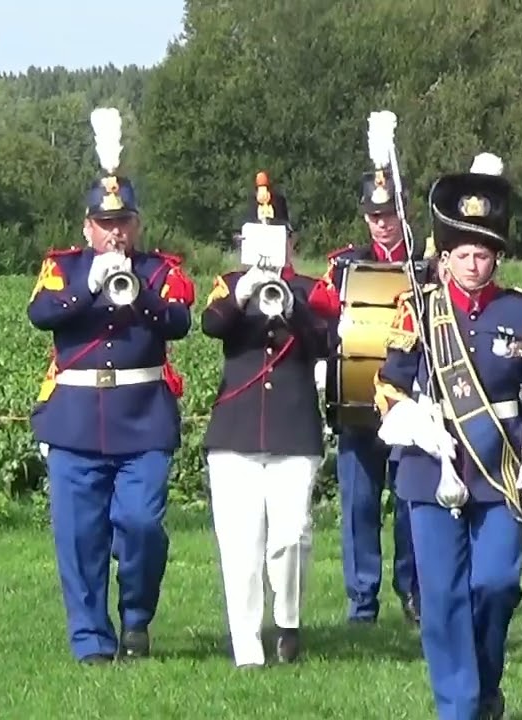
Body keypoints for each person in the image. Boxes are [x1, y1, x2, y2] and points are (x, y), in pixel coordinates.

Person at [375, 153, 522, 719]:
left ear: (496, 255)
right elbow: (389, 385)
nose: (473, 265)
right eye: (462, 254)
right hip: (430, 469)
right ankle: (459, 707)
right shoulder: (418, 310)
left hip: (500, 469)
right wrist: (415, 423)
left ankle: (484, 684)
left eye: (483, 254)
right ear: (445, 255)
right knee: (442, 599)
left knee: (497, 584)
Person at [27, 107, 195, 664]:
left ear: (136, 225)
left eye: (123, 222)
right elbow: (41, 313)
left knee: (142, 524)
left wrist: (136, 293)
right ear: (88, 227)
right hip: (75, 419)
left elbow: (178, 321)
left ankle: (137, 618)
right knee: (79, 538)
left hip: (142, 418)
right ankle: (91, 642)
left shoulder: (159, 270)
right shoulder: (63, 268)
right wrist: (88, 288)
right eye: (105, 223)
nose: (115, 232)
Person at [200, 171, 329, 669]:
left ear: (291, 241)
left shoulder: (312, 290)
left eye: (277, 237)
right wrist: (243, 293)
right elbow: (212, 325)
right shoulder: (228, 285)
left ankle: (288, 618)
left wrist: (292, 307)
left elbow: (326, 342)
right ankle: (247, 646)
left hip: (293, 430)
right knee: (240, 545)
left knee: (290, 536)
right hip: (235, 431)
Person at [307, 158, 430, 625]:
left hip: (408, 400)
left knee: (409, 501)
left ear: (404, 211)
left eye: (389, 213)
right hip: (357, 400)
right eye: (374, 215)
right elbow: (319, 315)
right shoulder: (344, 265)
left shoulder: (425, 264)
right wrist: (328, 357)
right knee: (359, 504)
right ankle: (362, 601)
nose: (382, 223)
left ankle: (413, 591)